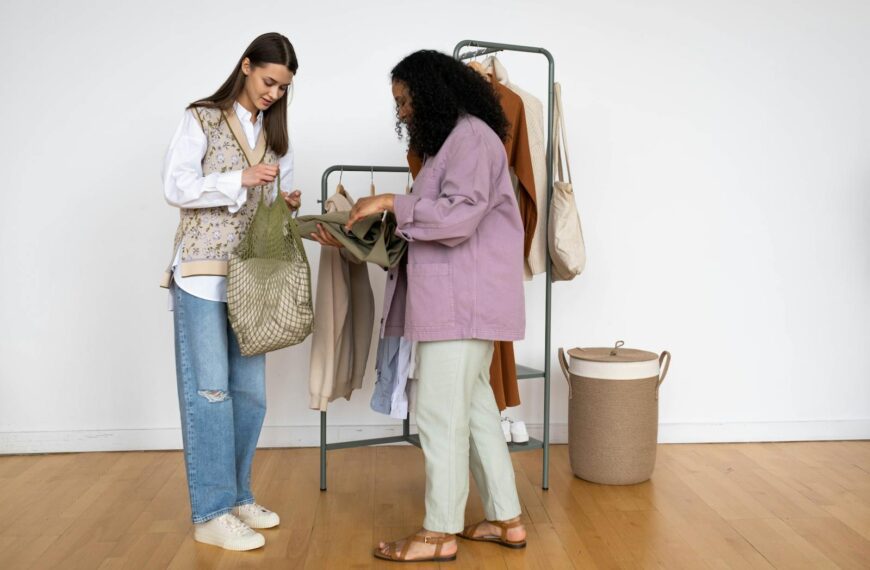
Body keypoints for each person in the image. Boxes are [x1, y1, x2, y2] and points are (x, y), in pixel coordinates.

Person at [311, 49, 528, 563]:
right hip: (457, 300)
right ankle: (507, 518)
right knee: (474, 411)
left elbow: (456, 220)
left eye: (405, 100)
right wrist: (354, 240)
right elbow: (428, 228)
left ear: (432, 92)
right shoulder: (450, 145)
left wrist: (389, 201)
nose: (402, 112)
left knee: (439, 414)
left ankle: (439, 533)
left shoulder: (471, 137)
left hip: (462, 303)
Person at [161, 32, 301, 552]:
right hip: (200, 274)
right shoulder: (200, 116)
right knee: (211, 392)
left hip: (252, 278)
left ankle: (239, 494)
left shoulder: (275, 133)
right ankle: (211, 512)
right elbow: (175, 187)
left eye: (283, 88)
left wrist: (282, 199)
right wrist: (236, 178)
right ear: (246, 66)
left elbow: (266, 202)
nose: (273, 94)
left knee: (250, 394)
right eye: (268, 82)